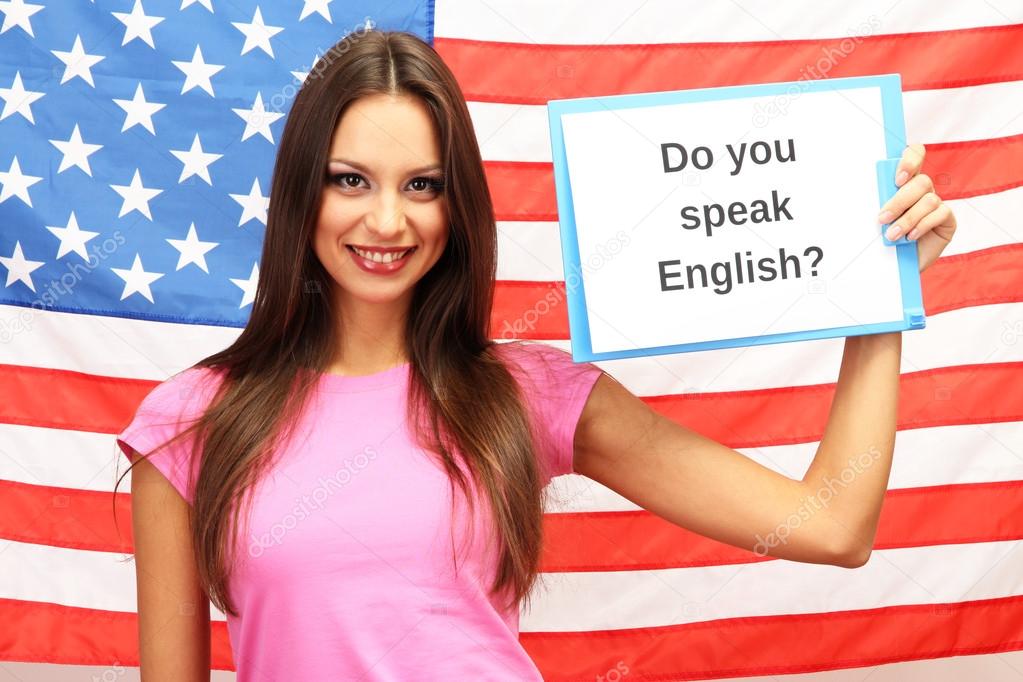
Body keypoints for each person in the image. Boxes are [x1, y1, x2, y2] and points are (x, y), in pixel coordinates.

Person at [113, 29, 957, 682]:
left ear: (456, 204)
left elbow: (833, 526)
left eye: (422, 184)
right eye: (349, 180)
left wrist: (876, 299)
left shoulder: (528, 392)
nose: (385, 222)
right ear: (302, 189)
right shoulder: (191, 418)